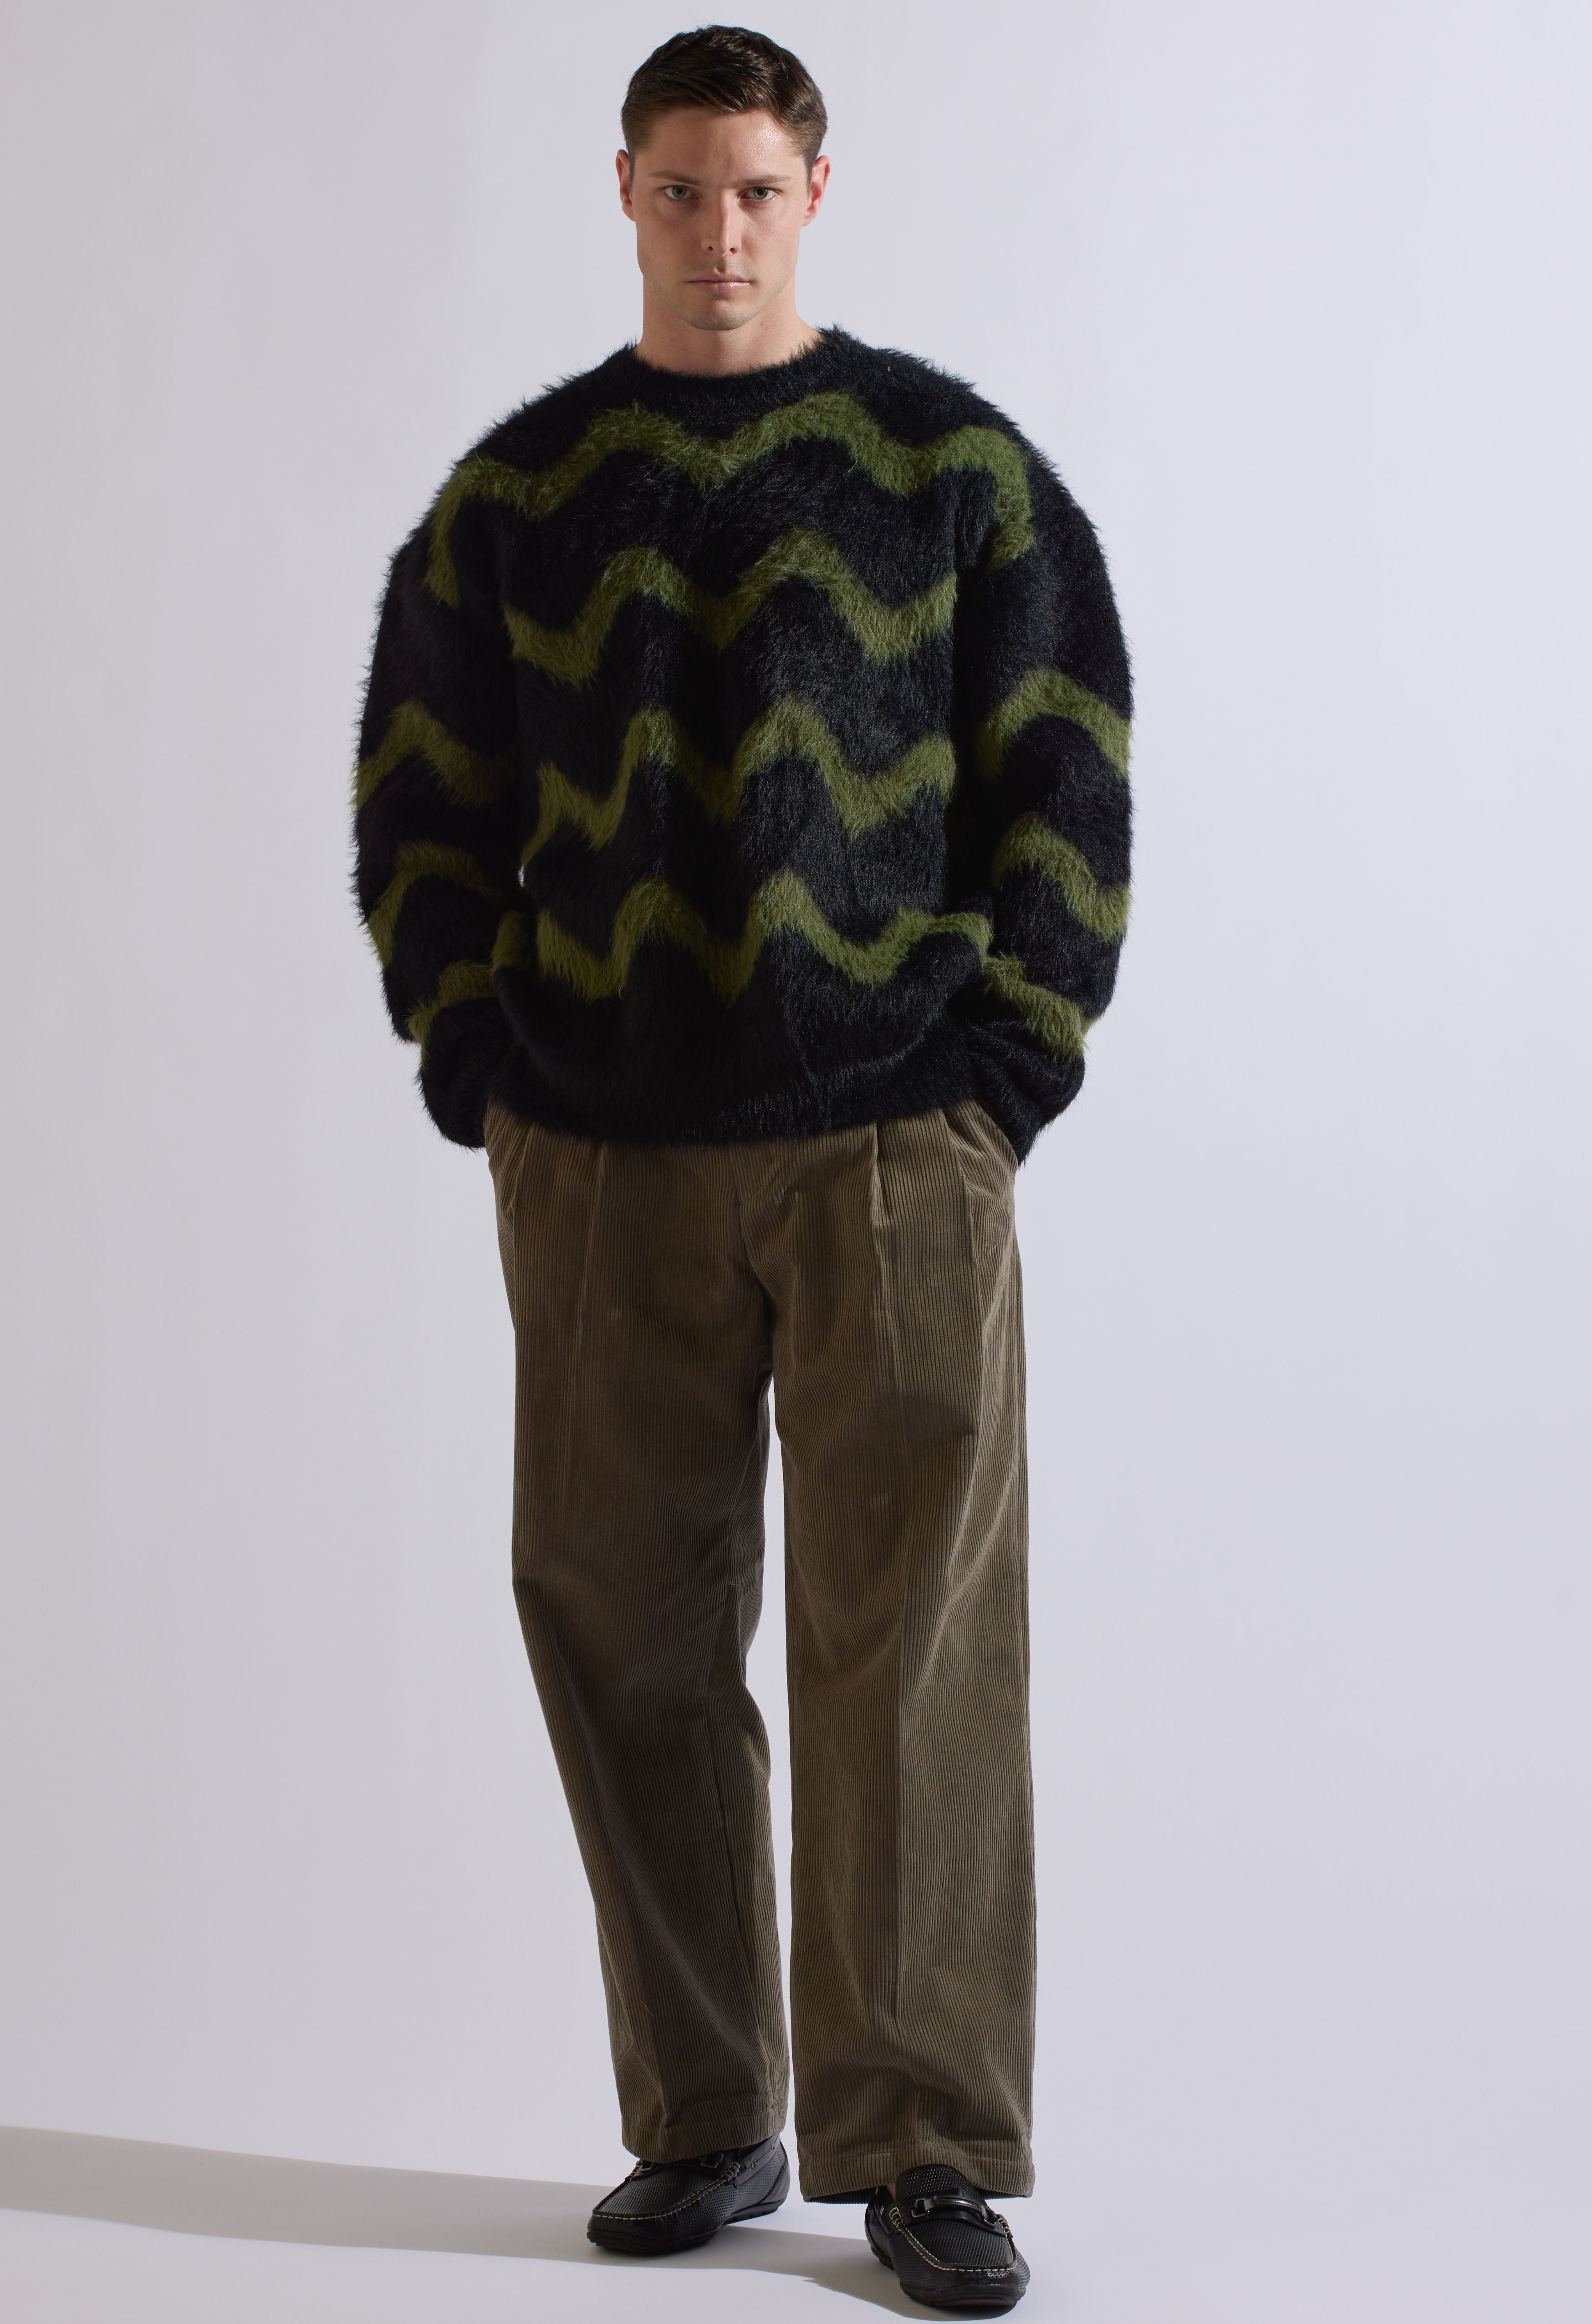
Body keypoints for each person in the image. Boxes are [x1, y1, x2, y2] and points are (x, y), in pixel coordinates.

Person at [353, 24, 1131, 2313]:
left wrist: (1004, 1067)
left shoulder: (948, 471)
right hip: (603, 1157)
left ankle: (925, 2143)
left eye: (756, 190)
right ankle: (707, 2110)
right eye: (681, 187)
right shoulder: (521, 495)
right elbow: (420, 792)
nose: (719, 230)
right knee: (621, 1629)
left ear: (816, 196)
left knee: (914, 1651)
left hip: (895, 1140)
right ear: (624, 191)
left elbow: (1067, 768)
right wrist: (482, 1059)